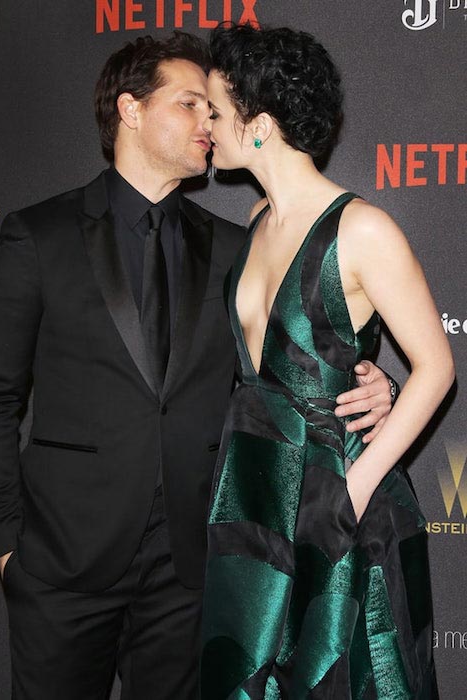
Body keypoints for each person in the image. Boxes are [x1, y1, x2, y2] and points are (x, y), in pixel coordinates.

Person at [0, 32, 393, 700]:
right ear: (131, 110)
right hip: (62, 564)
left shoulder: (234, 246)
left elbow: (284, 361)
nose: (210, 122)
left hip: (192, 569)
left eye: (212, 108)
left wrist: (370, 379)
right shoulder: (39, 236)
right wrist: (6, 548)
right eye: (191, 104)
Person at [200, 23, 454, 700]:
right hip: (251, 490)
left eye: (216, 110)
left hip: (334, 490)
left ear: (258, 125)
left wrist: (356, 485)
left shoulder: (363, 230)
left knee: (339, 674)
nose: (206, 124)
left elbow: (434, 366)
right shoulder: (255, 219)